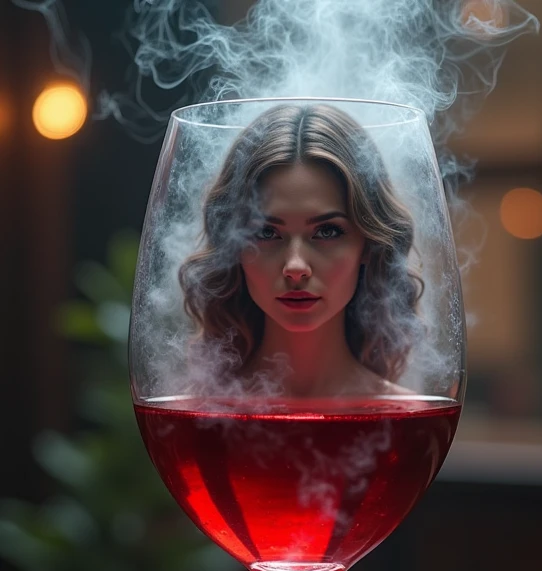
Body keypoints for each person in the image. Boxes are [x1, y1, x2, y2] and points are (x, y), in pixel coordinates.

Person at [179, 103, 423, 397]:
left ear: (369, 245)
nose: (295, 267)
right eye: (265, 232)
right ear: (233, 248)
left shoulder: (409, 422)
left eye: (327, 231)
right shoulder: (195, 419)